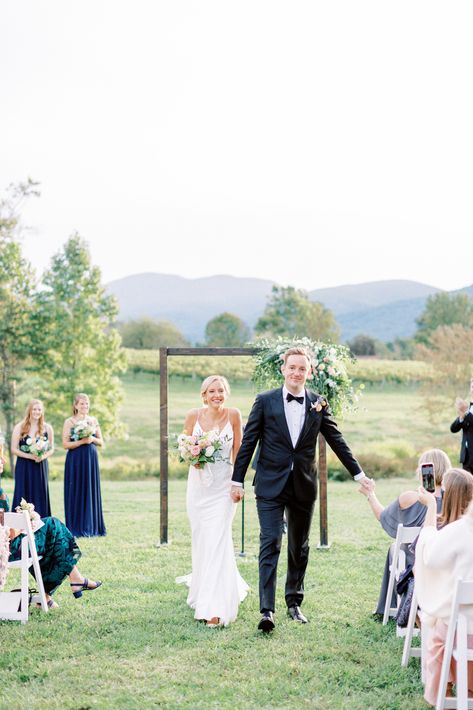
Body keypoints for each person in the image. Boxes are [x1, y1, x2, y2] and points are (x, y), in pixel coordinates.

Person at [231, 346, 370, 632]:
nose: (296, 372)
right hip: (270, 484)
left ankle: (294, 603)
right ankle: (266, 611)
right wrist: (237, 480)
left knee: (299, 547)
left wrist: (359, 474)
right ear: (283, 369)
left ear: (309, 372)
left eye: (302, 368)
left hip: (304, 486)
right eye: (292, 367)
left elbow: (337, 440)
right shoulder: (265, 401)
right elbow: (249, 442)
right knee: (270, 542)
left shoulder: (318, 403)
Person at [176, 375, 249, 627]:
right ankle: (201, 590)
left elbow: (239, 451)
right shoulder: (192, 416)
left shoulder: (234, 415)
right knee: (202, 540)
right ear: (203, 395)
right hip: (198, 488)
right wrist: (192, 456)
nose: (216, 395)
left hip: (223, 487)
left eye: (220, 390)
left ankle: (216, 608)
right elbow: (184, 446)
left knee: (218, 539)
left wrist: (238, 483)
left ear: (226, 393)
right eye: (211, 391)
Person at [359, 448, 451, 617]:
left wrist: (370, 494)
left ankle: (391, 607)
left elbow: (383, 517)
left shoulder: (410, 498)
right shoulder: (455, 500)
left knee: (395, 547)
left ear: (422, 470)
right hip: (445, 563)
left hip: (414, 564)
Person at [0, 457, 102, 609]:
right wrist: (24, 524)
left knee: (52, 531)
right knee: (53, 528)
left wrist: (24, 520)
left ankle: (52, 593)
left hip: (9, 544)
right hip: (7, 550)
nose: (3, 460)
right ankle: (69, 583)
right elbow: (7, 533)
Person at [415, 470, 473, 706]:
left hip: (464, 631)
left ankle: (440, 691)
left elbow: (428, 557)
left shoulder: (458, 530)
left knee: (435, 622)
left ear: (446, 495)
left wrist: (430, 506)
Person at [63, 393, 106, 537]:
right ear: (75, 406)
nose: (85, 406)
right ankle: (75, 526)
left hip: (90, 459)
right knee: (75, 489)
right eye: (81, 403)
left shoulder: (93, 420)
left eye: (87, 403)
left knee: (89, 489)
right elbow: (65, 444)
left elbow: (101, 442)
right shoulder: (69, 421)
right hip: (75, 459)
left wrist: (91, 438)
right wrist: (82, 441)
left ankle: (91, 525)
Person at [11, 399, 54, 518]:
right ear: (29, 410)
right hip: (24, 465)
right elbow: (14, 449)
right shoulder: (20, 427)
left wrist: (42, 456)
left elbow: (51, 448)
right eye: (34, 409)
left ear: (42, 411)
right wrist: (30, 456)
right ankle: (19, 525)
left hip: (40, 465)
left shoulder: (47, 428)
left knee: (40, 493)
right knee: (22, 493)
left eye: (39, 409)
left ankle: (41, 523)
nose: (36, 412)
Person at [450, 378, 473, 474]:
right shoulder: (469, 407)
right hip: (467, 458)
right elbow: (453, 429)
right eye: (472, 387)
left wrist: (466, 413)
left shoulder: (468, 410)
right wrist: (461, 416)